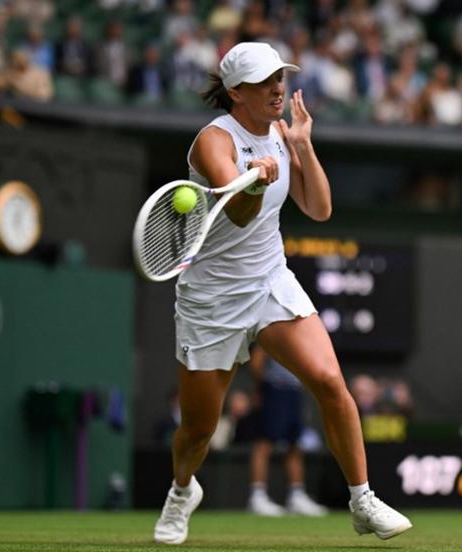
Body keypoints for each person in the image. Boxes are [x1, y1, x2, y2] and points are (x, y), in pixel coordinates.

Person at [152, 42, 411, 545]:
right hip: (212, 298)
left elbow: (319, 210)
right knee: (198, 431)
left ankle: (362, 500)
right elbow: (239, 214)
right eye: (264, 81)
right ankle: (182, 490)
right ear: (235, 92)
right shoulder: (214, 142)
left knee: (330, 380)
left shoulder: (278, 132)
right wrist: (253, 184)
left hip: (270, 279)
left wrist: (302, 147)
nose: (278, 88)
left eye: (280, 77)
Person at [246, 345, 328, 517]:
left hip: (294, 390)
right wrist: (263, 389)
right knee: (264, 442)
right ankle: (257, 496)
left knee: (294, 444)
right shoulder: (269, 326)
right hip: (273, 389)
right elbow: (256, 363)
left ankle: (296, 495)